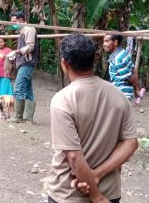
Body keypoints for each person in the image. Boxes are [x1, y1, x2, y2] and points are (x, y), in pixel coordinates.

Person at [48, 34, 138, 203]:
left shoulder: (63, 99)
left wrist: (97, 197)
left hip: (69, 193)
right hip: (110, 191)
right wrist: (98, 174)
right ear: (94, 60)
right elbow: (131, 143)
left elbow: (73, 156)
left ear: (64, 63)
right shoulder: (119, 96)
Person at [6, 11, 39, 123]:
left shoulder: (29, 29)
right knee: (28, 91)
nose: (13, 24)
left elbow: (30, 47)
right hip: (23, 63)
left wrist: (16, 52)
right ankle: (28, 117)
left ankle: (18, 116)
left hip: (27, 63)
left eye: (14, 21)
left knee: (18, 88)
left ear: (21, 20)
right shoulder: (21, 32)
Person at [103, 34, 145, 103]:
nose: (104, 44)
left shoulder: (118, 59)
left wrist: (137, 89)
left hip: (121, 95)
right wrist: (137, 90)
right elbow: (133, 70)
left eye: (107, 41)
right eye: (104, 41)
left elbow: (130, 79)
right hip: (123, 95)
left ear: (115, 42)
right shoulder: (124, 53)